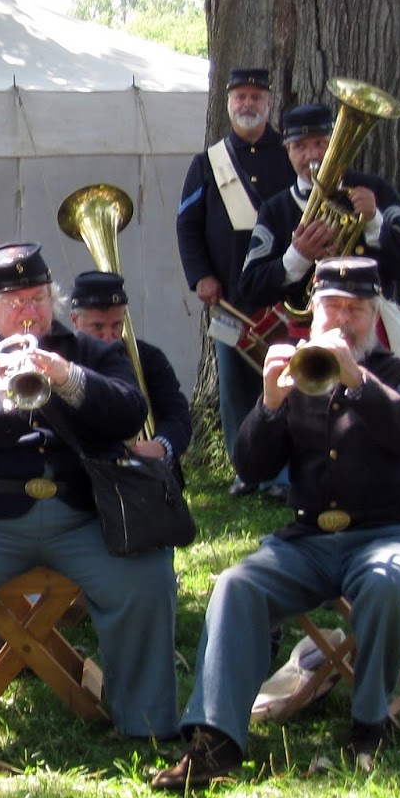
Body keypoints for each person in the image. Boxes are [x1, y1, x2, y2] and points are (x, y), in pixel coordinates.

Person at [151, 258, 400, 791]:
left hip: (389, 531)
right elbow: (252, 468)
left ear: (373, 316)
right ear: (316, 313)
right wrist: (269, 401)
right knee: (236, 585)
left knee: (389, 583)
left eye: (356, 310)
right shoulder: (295, 370)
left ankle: (370, 722)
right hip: (308, 539)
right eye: (334, 308)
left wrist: (358, 379)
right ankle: (215, 740)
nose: (344, 321)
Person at [0, 243, 179, 765]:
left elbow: (129, 411)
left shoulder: (92, 352)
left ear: (52, 301)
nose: (28, 312)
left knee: (148, 576)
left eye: (37, 298)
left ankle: (145, 722)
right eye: (14, 302)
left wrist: (67, 377)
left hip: (83, 515)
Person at [174, 68, 296, 495]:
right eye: (240, 96)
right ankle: (247, 469)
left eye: (255, 97)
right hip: (230, 297)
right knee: (236, 390)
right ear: (228, 104)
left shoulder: (291, 153)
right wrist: (201, 276)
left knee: (290, 383)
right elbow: (187, 226)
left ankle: (285, 473)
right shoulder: (207, 163)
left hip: (285, 296)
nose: (247, 104)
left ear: (269, 103)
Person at [235, 102, 400, 326]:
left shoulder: (375, 190)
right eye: (299, 147)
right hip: (307, 332)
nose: (311, 155)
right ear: (287, 150)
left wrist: (374, 222)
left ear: (335, 143)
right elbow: (249, 288)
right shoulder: (275, 210)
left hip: (372, 325)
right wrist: (297, 257)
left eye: (320, 143)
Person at [66, 270, 192, 477]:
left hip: (146, 475)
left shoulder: (148, 357)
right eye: (97, 326)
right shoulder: (61, 360)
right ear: (74, 320)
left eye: (116, 325)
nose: (108, 336)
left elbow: (177, 413)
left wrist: (160, 446)